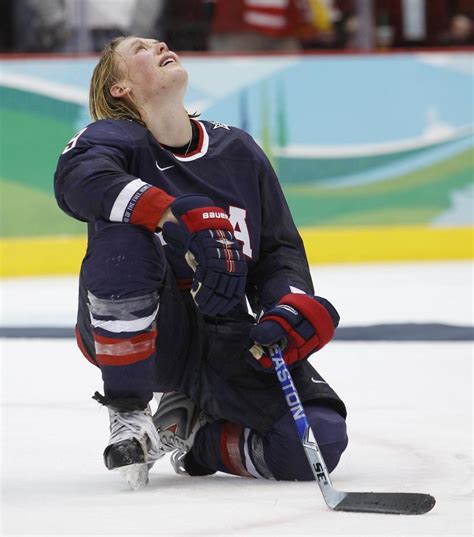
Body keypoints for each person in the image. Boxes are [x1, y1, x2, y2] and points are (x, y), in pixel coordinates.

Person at [54, 36, 348, 490]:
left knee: (316, 442)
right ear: (120, 89)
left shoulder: (238, 150)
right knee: (124, 233)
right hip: (151, 337)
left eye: (157, 42)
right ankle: (130, 413)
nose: (159, 44)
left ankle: (194, 436)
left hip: (225, 333)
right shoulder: (115, 139)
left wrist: (288, 304)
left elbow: (276, 250)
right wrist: (173, 214)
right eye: (140, 50)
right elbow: (79, 181)